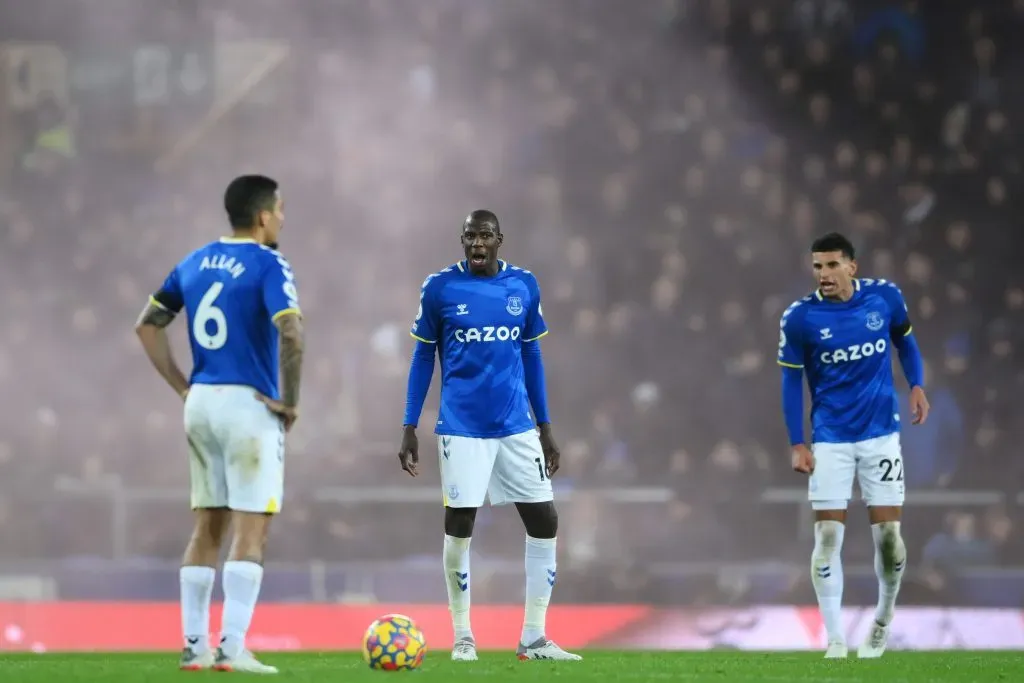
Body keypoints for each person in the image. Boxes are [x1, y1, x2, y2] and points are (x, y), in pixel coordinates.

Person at [135, 174, 304, 674]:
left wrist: (184, 386)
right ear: (262, 216)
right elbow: (291, 332)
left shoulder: (194, 260)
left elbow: (146, 324)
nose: (282, 218)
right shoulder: (268, 262)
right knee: (252, 528)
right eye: (280, 209)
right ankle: (231, 648)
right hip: (248, 403)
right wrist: (289, 402)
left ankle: (194, 647)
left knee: (207, 525)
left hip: (202, 401)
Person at [398, 209, 581, 662]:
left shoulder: (523, 285)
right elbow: (423, 359)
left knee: (545, 521)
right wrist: (408, 425)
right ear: (461, 241)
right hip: (461, 428)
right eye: (469, 237)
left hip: (516, 427)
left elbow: (532, 354)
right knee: (460, 527)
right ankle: (463, 636)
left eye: (484, 236)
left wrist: (546, 427)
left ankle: (533, 637)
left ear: (500, 239)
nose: (477, 244)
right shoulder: (439, 287)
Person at [778, 232, 929, 659]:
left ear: (851, 266)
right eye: (817, 267)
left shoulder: (885, 298)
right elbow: (791, 381)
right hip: (830, 439)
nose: (823, 274)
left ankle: (882, 621)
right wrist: (797, 441)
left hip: (881, 434)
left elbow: (906, 340)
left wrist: (917, 384)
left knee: (888, 541)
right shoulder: (800, 317)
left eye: (830, 265)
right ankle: (836, 639)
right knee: (826, 537)